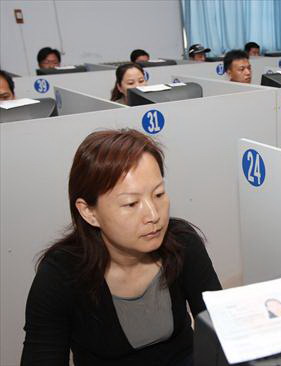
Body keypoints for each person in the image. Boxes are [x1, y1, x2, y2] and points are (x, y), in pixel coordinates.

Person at [21, 129, 222, 366]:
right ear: (89, 212)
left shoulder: (182, 243)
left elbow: (222, 327)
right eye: (131, 203)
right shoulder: (61, 274)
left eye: (159, 194)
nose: (153, 214)